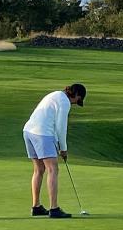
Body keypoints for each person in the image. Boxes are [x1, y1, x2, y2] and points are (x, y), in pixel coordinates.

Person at [24, 83, 85, 219]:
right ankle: (54, 208)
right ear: (76, 95)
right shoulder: (64, 102)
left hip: (28, 131)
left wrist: (58, 144)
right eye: (78, 100)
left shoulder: (55, 95)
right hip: (42, 133)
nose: (76, 103)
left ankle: (36, 207)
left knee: (39, 170)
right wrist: (63, 149)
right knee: (53, 169)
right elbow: (61, 127)